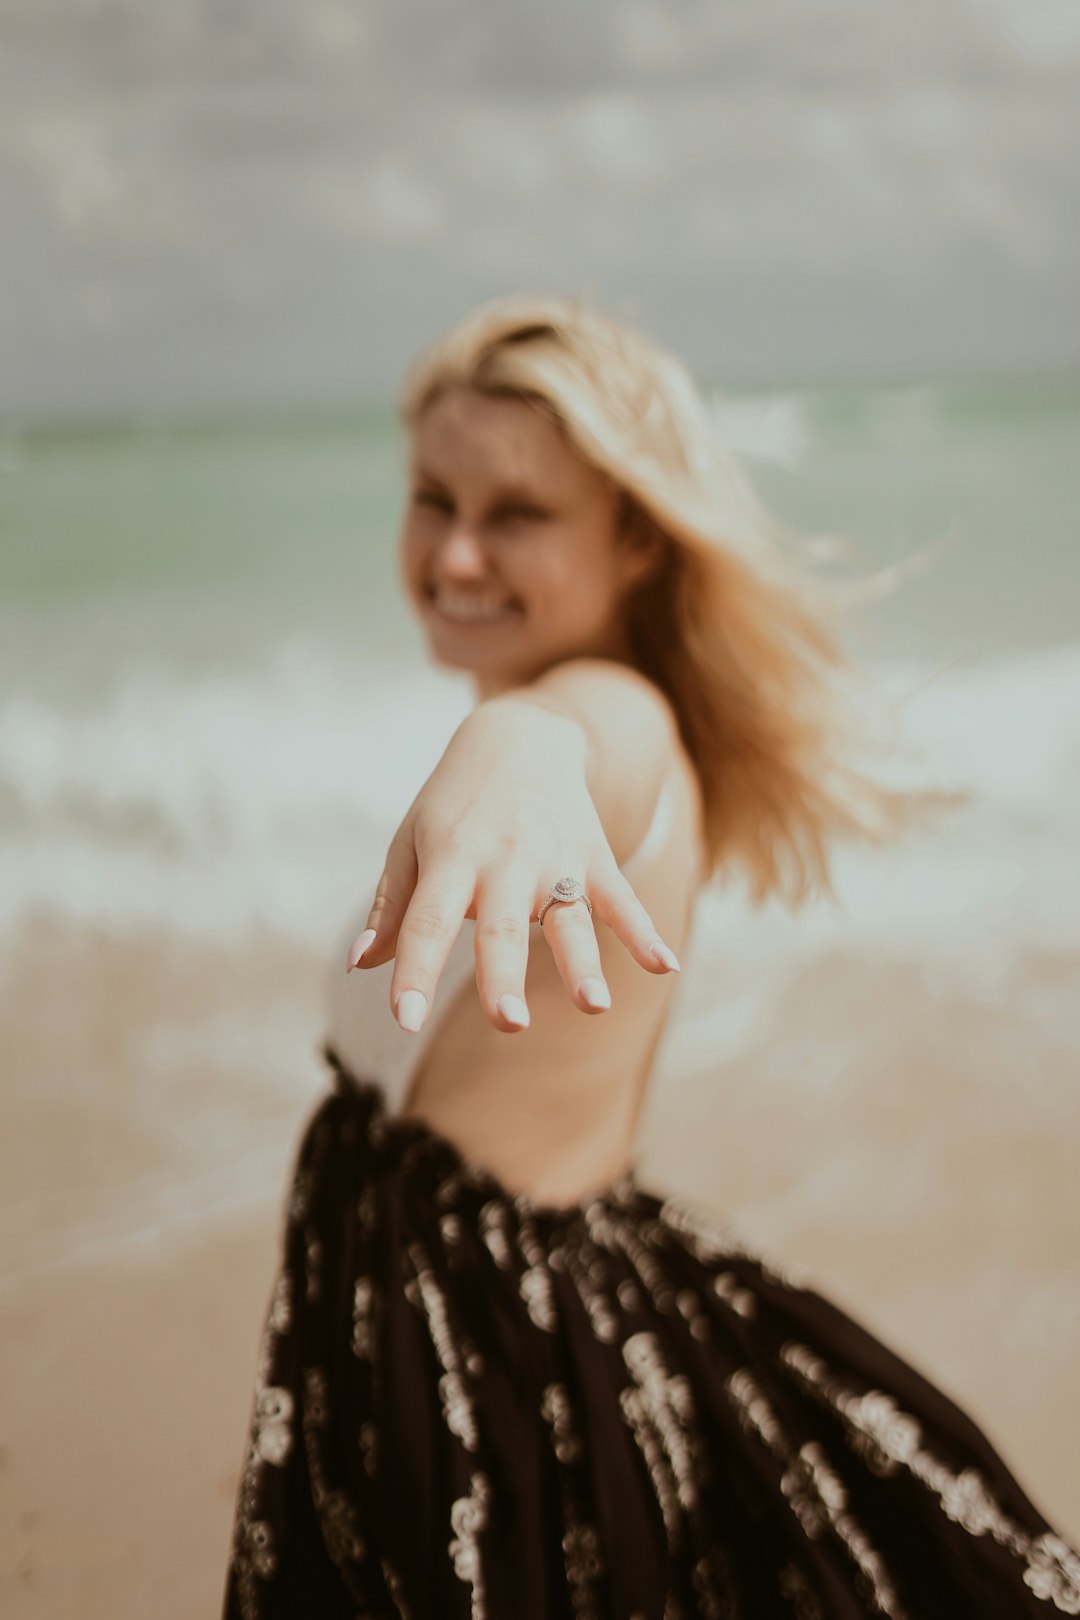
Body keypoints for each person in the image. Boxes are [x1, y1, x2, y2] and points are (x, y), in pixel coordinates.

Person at [222, 296, 1079, 1619]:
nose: (455, 554)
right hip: (471, 1313)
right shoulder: (558, 712)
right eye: (431, 498)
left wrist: (519, 746)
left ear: (636, 537)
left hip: (489, 1364)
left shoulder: (606, 725)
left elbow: (570, 741)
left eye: (518, 513)